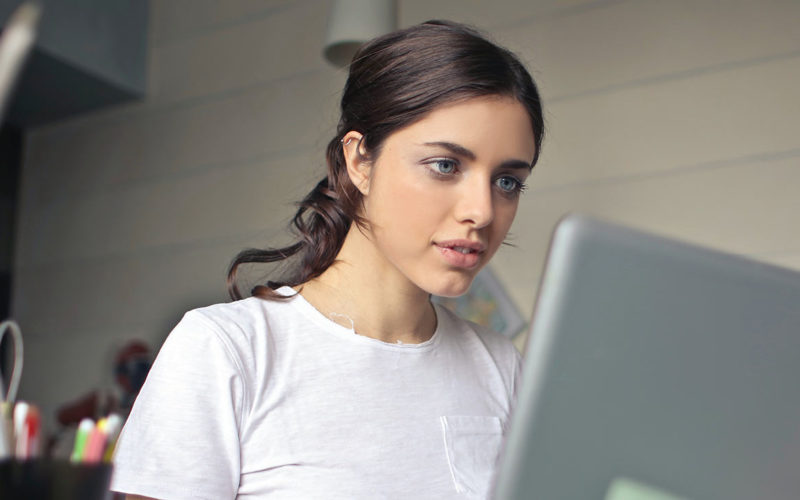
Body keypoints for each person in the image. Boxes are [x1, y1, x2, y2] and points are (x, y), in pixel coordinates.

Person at [110, 20, 544, 500]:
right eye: (445, 165)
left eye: (507, 181)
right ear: (359, 161)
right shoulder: (226, 350)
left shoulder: (501, 367)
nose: (481, 211)